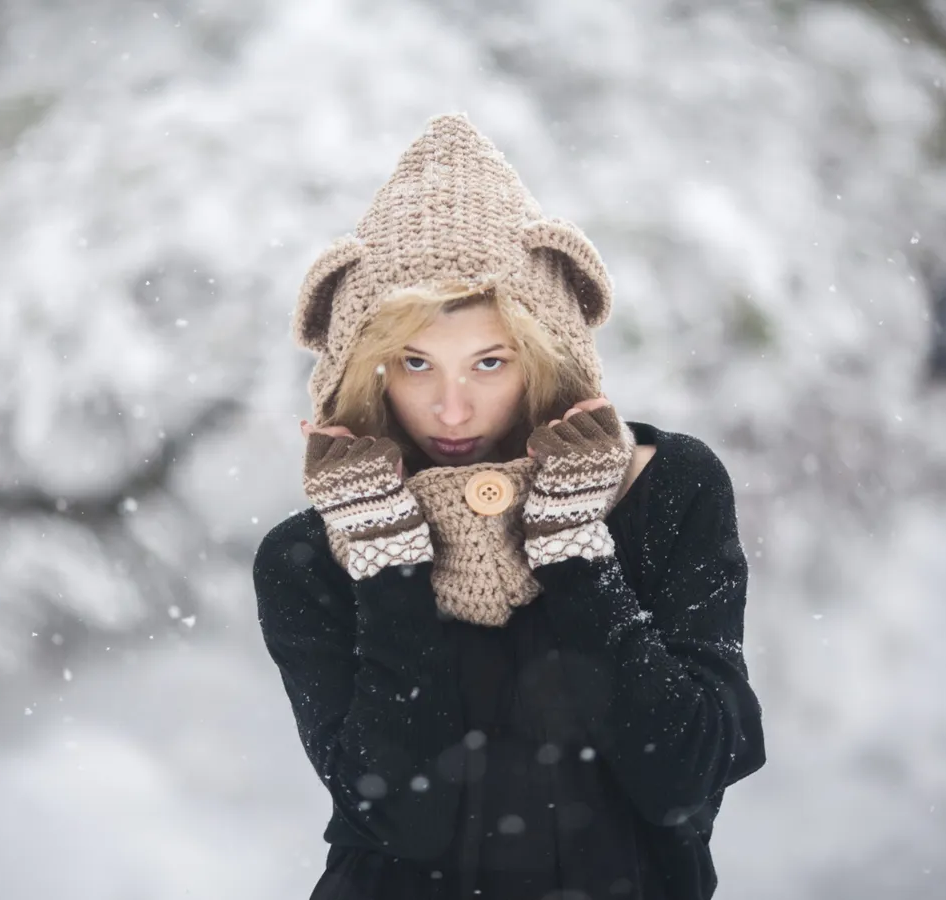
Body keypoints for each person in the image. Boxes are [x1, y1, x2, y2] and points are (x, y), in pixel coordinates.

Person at [253, 113, 765, 900]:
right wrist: (386, 561)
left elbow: (683, 777)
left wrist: (575, 550)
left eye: (490, 361)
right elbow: (399, 818)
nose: (450, 408)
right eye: (414, 363)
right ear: (366, 369)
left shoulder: (664, 488)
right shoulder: (315, 552)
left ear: (547, 353)